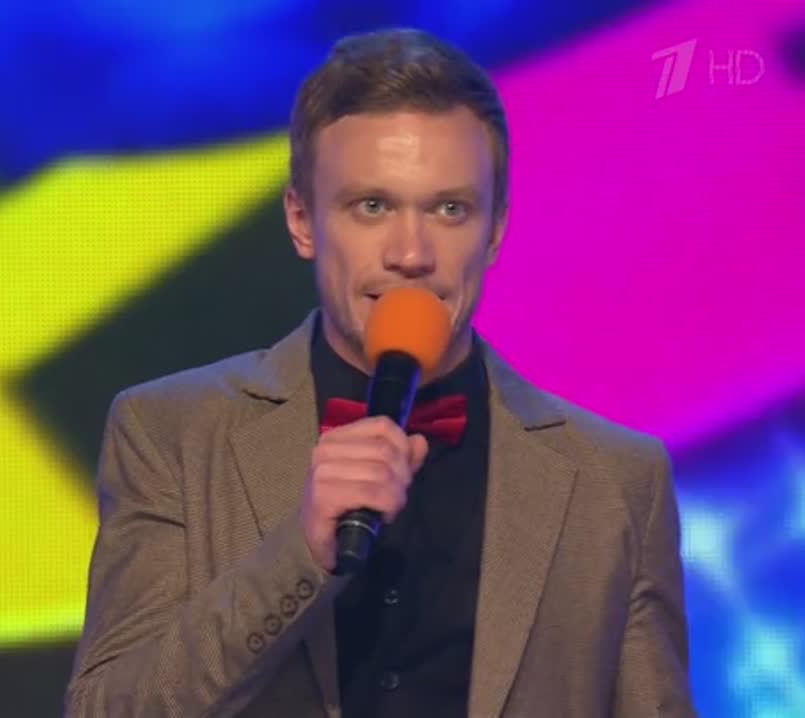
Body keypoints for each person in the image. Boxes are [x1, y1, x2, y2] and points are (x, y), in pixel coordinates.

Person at [65, 27, 694, 717]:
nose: (411, 254)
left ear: (493, 231)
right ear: (302, 221)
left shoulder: (619, 483)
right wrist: (297, 554)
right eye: (372, 206)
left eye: (449, 209)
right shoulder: (172, 434)